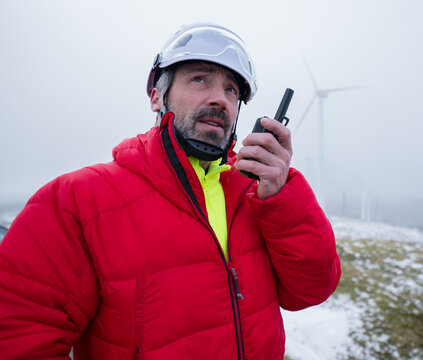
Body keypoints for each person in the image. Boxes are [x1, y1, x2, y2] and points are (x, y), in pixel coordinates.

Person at [0, 23, 341, 359]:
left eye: (232, 90)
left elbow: (310, 290)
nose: (220, 99)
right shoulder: (76, 200)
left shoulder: (259, 195)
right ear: (156, 97)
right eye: (199, 79)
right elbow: (18, 338)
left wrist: (280, 197)